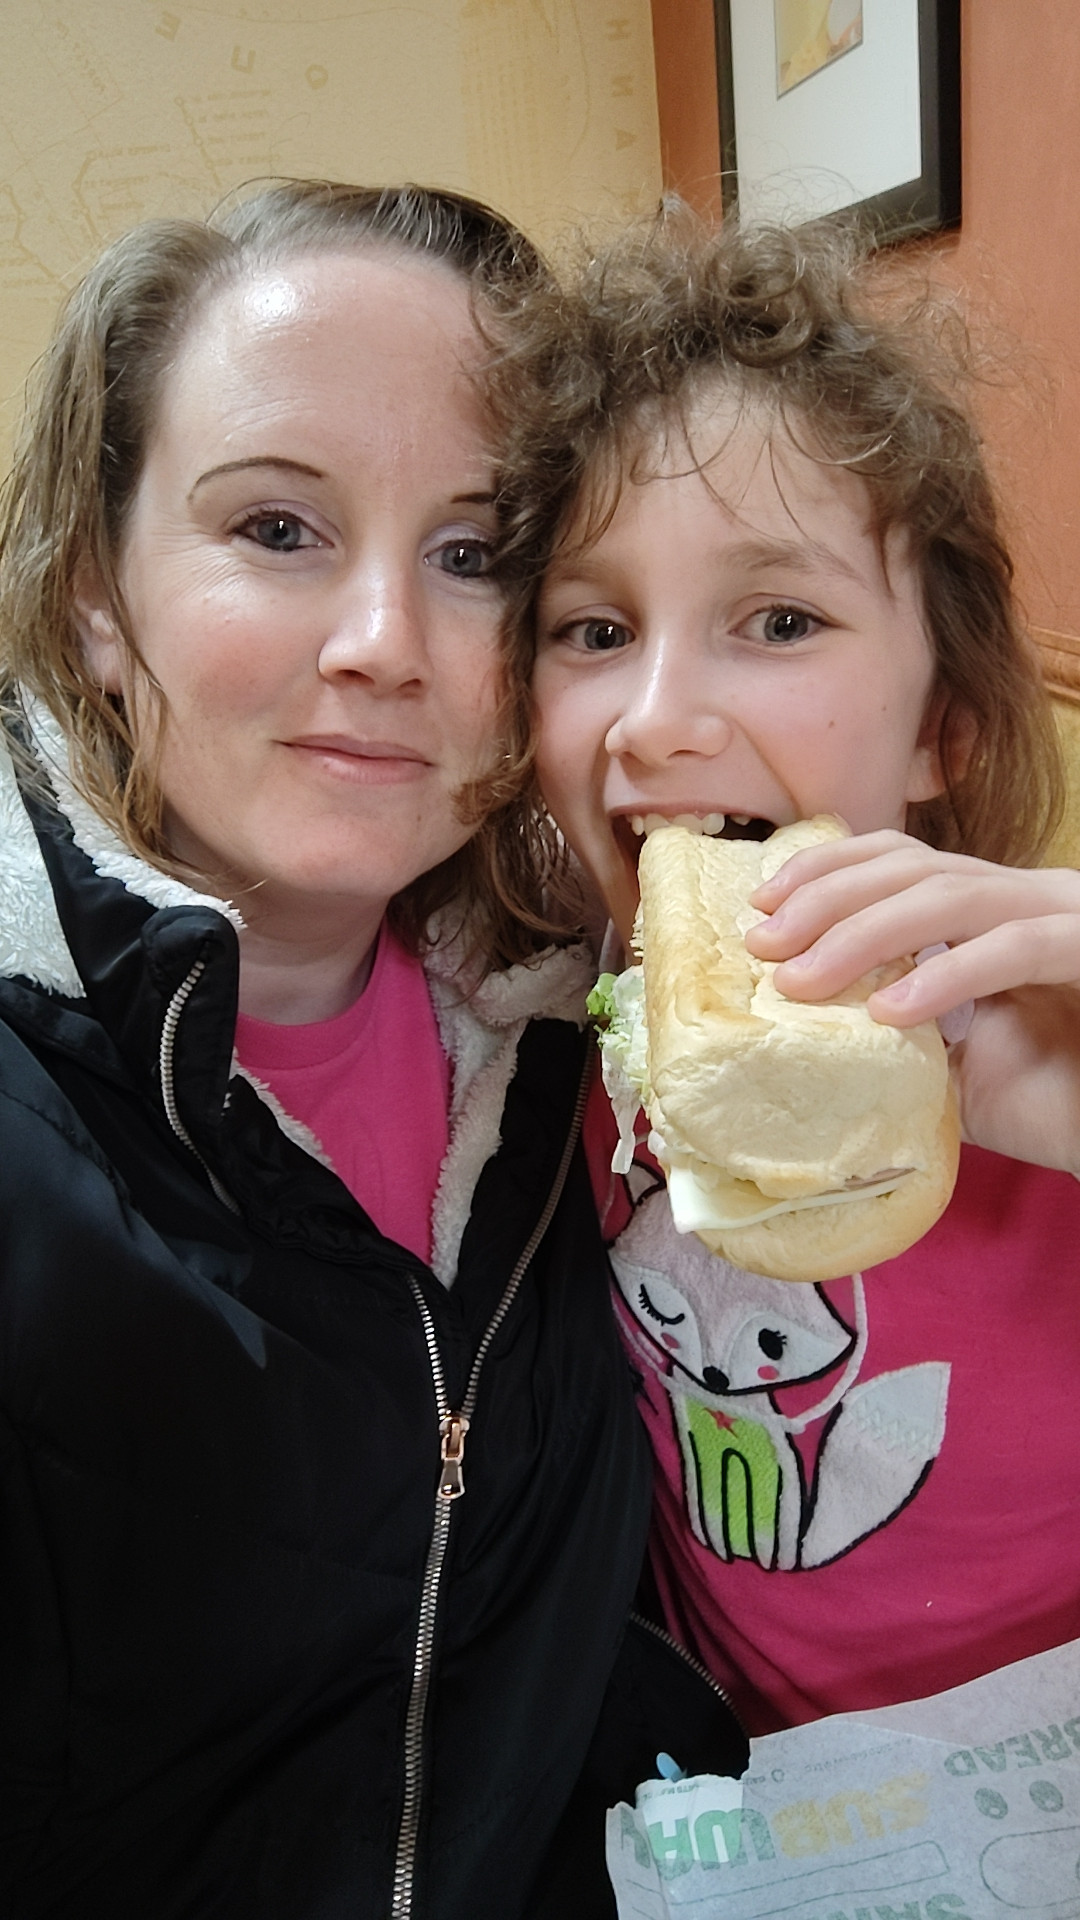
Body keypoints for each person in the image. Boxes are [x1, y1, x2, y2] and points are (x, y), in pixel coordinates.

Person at [0, 181, 745, 1920]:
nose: (383, 647)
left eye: (475, 556)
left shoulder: (579, 1024)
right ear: (99, 595)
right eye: (277, 528)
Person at [499, 208, 1080, 1737]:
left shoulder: (1048, 1039)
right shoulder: (539, 1038)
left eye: (778, 620)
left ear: (944, 726)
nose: (656, 717)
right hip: (735, 1775)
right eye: (594, 628)